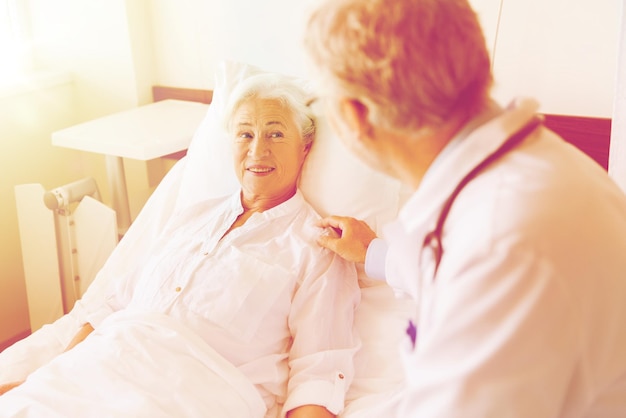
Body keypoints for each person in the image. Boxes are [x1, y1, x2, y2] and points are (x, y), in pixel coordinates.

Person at [303, 0, 626, 416]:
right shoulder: (527, 173)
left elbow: (484, 262)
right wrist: (373, 254)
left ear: (353, 116)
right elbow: (454, 258)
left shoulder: (504, 244)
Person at [0, 75, 360, 418]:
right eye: (245, 134)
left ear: (305, 146)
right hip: (96, 369)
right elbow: (114, 304)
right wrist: (44, 378)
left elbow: (318, 373)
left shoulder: (318, 246)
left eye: (276, 133)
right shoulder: (192, 216)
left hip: (185, 394)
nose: (257, 150)